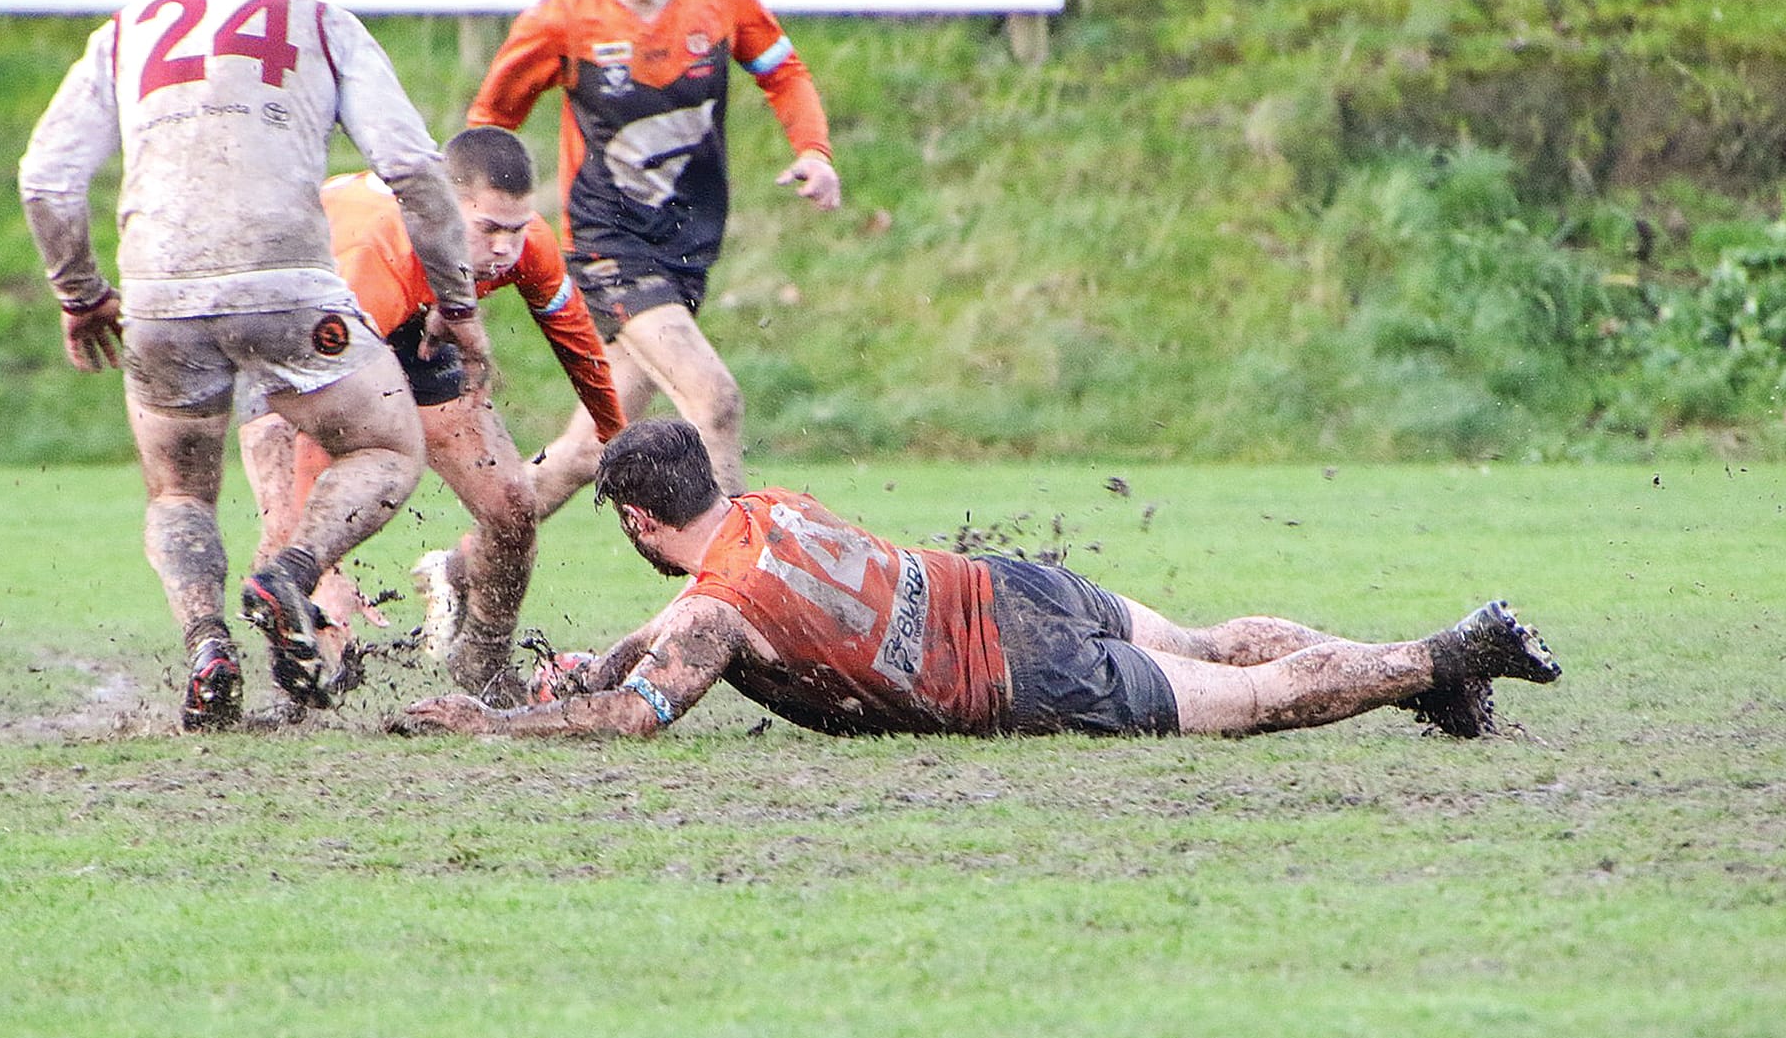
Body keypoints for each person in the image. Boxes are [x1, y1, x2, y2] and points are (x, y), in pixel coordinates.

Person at [19, 0, 489, 732]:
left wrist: (81, 292)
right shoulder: (317, 18)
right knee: (385, 445)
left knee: (179, 493)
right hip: (292, 288)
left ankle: (207, 643)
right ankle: (293, 570)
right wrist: (456, 301)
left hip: (161, 296)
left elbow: (46, 181)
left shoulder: (125, 32)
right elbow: (415, 169)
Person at [395, 419, 1563, 741]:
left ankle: (1442, 653)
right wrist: (599, 657)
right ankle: (1429, 685)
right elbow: (670, 629)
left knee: (1250, 703)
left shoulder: (718, 608)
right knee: (1212, 639)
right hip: (1009, 586)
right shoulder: (762, 511)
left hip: (1015, 672)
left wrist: (484, 724)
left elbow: (632, 718)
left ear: (639, 519)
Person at [464, 0, 840, 527]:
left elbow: (785, 74)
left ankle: (463, 568)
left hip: (685, 247)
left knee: (586, 449)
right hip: (608, 243)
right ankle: (737, 587)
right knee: (714, 399)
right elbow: (488, 124)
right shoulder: (564, 20)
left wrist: (813, 152)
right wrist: (484, 221)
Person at [239, 125, 626, 702]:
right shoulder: (375, 256)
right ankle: (300, 675)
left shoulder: (523, 241)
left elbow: (576, 341)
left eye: (515, 229)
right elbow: (319, 427)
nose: (504, 248)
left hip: (420, 316)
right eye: (489, 229)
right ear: (441, 209)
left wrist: (617, 442)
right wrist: (323, 565)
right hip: (293, 329)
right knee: (290, 531)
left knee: (512, 505)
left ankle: (485, 663)